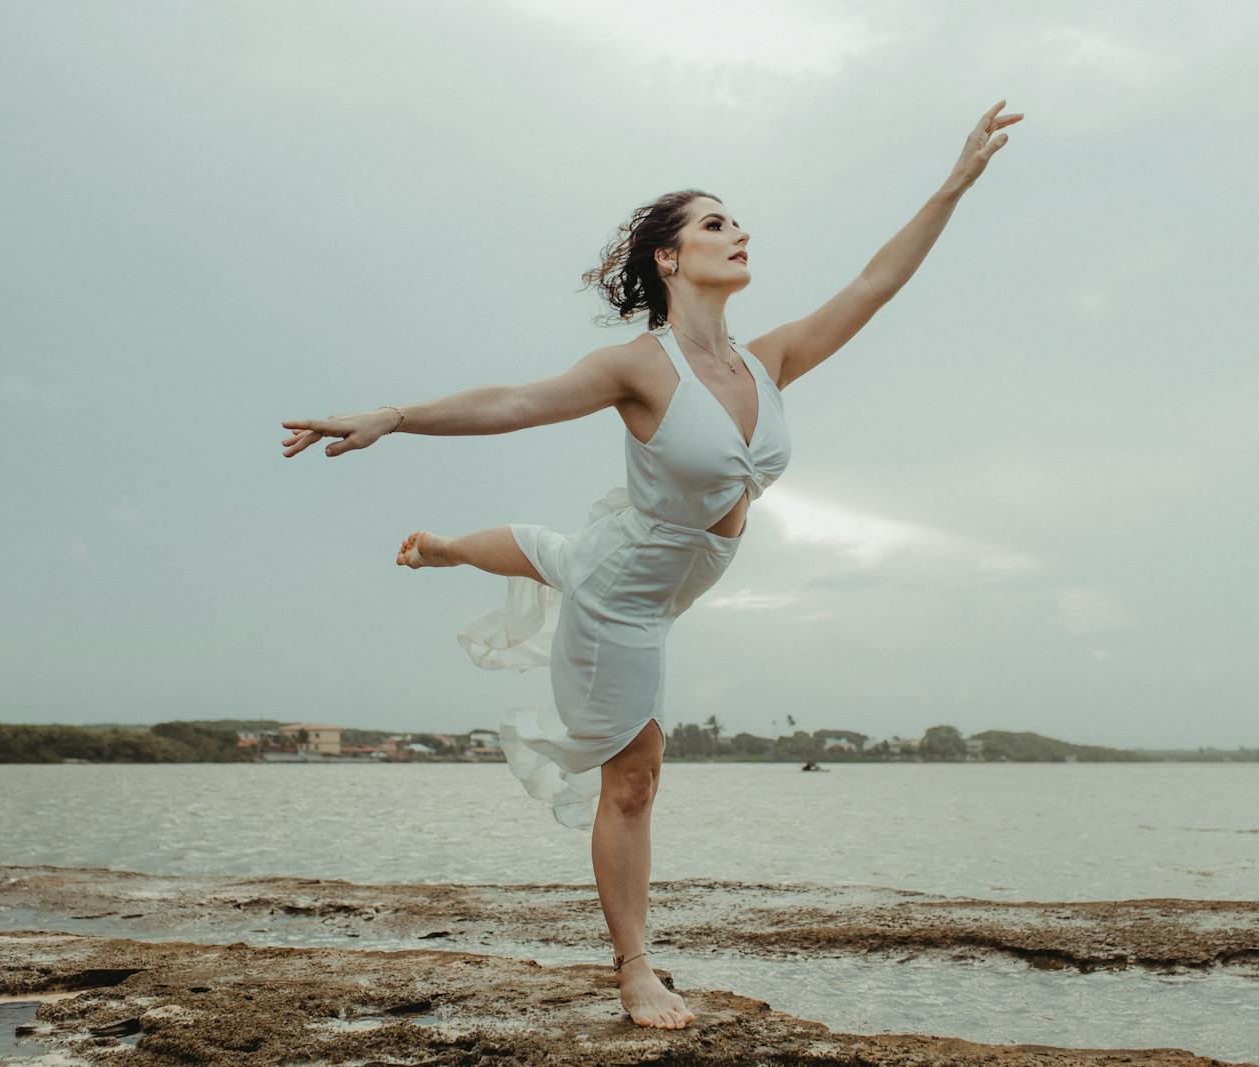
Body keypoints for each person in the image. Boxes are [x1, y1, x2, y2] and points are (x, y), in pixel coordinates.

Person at [280, 100, 1020, 1030]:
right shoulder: (638, 367)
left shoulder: (769, 360)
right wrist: (393, 415)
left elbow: (874, 283)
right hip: (626, 604)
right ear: (669, 258)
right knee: (634, 771)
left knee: (560, 550)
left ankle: (442, 548)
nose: (739, 231)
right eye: (716, 223)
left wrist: (953, 183)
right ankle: (634, 967)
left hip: (647, 567)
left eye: (738, 219)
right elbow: (514, 401)